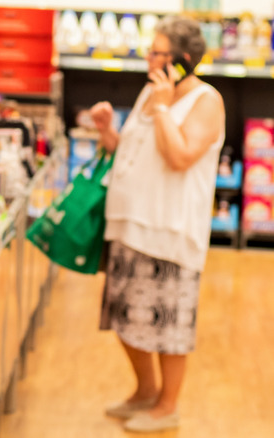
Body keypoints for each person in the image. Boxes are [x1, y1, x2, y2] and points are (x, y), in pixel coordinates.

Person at [89, 15, 225, 433]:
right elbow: (131, 152)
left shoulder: (206, 100)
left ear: (182, 59)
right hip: (128, 226)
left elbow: (179, 156)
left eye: (158, 52)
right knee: (125, 318)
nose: (148, 58)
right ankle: (145, 392)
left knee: (167, 325)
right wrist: (108, 131)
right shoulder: (152, 90)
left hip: (168, 232)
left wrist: (165, 107)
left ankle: (168, 405)